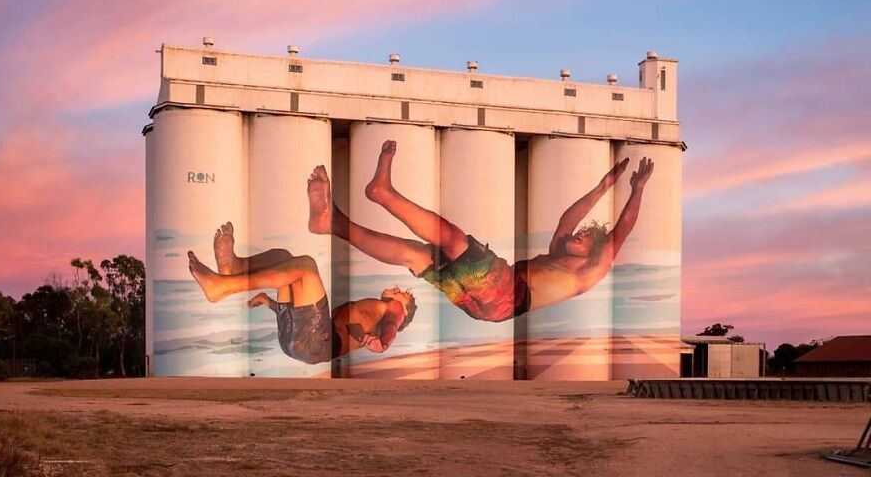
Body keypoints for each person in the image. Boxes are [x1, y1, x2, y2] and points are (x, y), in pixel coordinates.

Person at [307, 141, 653, 323]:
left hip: (504, 295)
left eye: (584, 238)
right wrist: (602, 186)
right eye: (580, 234)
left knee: (456, 240)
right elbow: (567, 218)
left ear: (595, 250)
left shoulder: (592, 270)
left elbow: (622, 228)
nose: (576, 235)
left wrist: (636, 190)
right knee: (417, 255)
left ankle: (383, 193)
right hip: (485, 306)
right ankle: (334, 224)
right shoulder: (557, 256)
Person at [187, 221, 417, 365]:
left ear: (404, 311)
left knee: (306, 266)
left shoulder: (394, 312)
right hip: (298, 340)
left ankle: (223, 287)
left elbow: (392, 328)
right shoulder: (375, 311)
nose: (398, 290)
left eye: (403, 294)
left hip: (316, 342)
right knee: (284, 259)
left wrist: (383, 344)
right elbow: (304, 317)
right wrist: (270, 303)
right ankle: (233, 268)